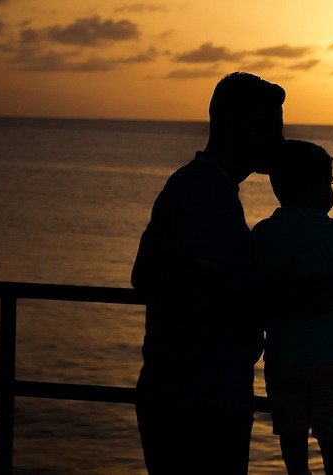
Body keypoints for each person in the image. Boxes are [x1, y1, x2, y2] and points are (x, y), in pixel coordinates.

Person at [130, 71, 284, 474]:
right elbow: (194, 296)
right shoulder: (208, 196)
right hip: (201, 402)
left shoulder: (191, 184)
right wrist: (277, 301)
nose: (278, 138)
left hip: (176, 393)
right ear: (234, 124)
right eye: (268, 125)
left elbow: (142, 276)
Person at [253, 139, 333, 475]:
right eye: (329, 183)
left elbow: (255, 289)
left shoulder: (264, 234)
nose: (331, 191)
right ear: (314, 188)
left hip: (281, 358)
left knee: (292, 434)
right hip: (330, 358)